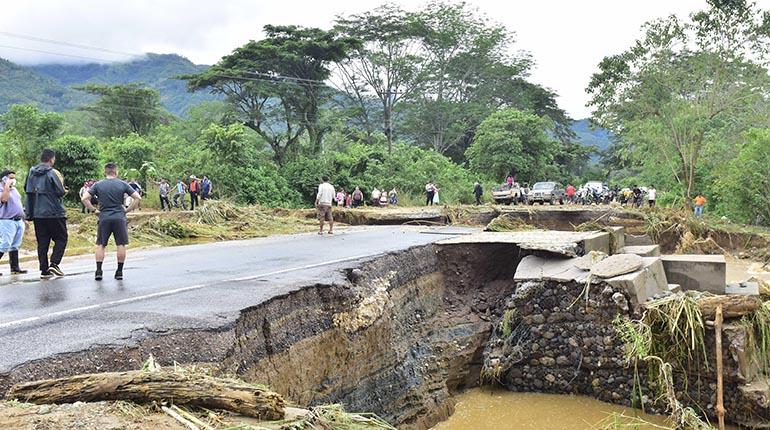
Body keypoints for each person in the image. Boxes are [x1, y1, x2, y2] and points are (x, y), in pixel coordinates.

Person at [81, 163, 142, 281]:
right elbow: (137, 197)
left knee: (100, 245)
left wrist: (94, 210)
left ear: (105, 172)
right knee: (120, 244)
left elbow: (84, 198)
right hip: (119, 217)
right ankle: (119, 272)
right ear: (116, 171)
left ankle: (98, 271)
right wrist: (127, 210)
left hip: (104, 217)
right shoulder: (123, 184)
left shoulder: (98, 185)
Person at [25, 149, 68, 279]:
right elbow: (60, 191)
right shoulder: (51, 173)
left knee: (43, 242)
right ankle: (54, 263)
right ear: (51, 159)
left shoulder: (31, 173)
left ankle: (44, 270)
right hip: (54, 212)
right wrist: (65, 190)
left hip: (37, 213)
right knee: (61, 238)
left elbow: (26, 189)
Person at [0, 170, 28, 276]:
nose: (13, 180)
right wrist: (6, 186)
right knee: (5, 244)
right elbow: (4, 199)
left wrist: (23, 219)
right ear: (4, 179)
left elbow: (18, 204)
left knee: (15, 245)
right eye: (10, 178)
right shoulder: (2, 189)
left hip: (18, 220)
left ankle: (15, 268)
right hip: (6, 221)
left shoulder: (14, 190)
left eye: (13, 178)